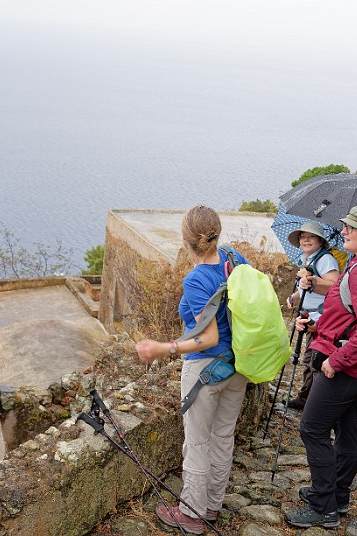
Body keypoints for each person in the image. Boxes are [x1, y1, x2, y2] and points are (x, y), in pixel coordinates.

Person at [135, 205, 249, 535]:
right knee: (223, 437)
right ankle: (212, 505)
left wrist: (163, 348)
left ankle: (192, 514)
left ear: (186, 240)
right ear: (217, 232)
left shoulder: (196, 279)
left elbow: (207, 336)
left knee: (198, 442)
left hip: (206, 370)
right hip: (237, 365)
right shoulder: (234, 259)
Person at [285, 204, 357, 529]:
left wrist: (336, 361)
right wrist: (317, 327)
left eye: (352, 227)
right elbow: (351, 317)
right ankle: (339, 494)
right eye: (345, 225)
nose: (344, 231)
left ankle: (323, 506)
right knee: (346, 429)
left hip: (348, 366)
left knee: (313, 428)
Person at [284, 221, 340, 410]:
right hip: (309, 316)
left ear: (320, 241)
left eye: (311, 237)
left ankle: (309, 400)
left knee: (313, 359)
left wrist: (312, 279)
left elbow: (334, 286)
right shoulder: (308, 260)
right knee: (310, 358)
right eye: (302, 237)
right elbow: (307, 289)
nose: (306, 240)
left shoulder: (325, 260)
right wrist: (294, 297)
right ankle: (307, 397)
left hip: (320, 317)